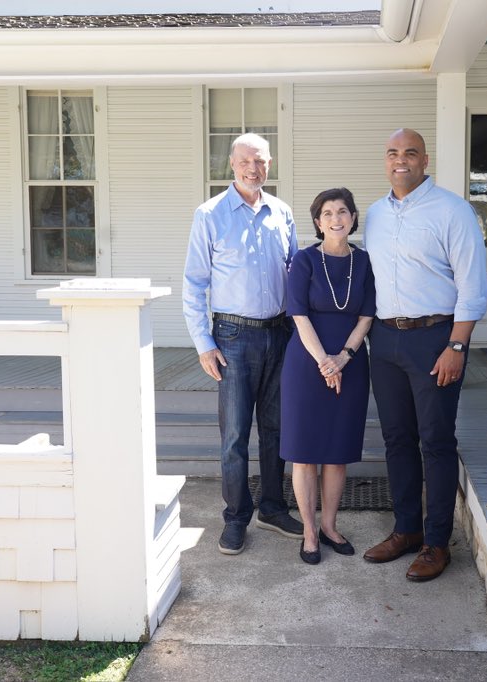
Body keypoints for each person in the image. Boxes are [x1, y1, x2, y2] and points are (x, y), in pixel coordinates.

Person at [362, 128, 487, 581]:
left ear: (424, 159)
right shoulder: (374, 215)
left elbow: (473, 287)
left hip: (435, 340)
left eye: (410, 153)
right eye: (393, 152)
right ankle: (407, 530)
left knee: (435, 441)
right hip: (386, 340)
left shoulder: (453, 210)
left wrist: (457, 345)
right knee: (396, 439)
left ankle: (437, 542)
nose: (401, 160)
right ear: (386, 159)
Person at [182, 132, 304, 555]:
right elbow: (195, 283)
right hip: (232, 337)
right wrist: (203, 343)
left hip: (281, 334)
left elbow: (296, 274)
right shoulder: (210, 214)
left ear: (270, 165)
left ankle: (272, 507)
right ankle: (236, 518)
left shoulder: (282, 213)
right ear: (231, 165)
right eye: (246, 162)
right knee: (235, 435)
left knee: (276, 430)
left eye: (262, 162)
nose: (254, 169)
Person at [280, 188, 375, 565]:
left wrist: (344, 358)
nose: (336, 218)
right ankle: (308, 531)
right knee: (304, 455)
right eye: (327, 213)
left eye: (343, 211)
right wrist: (324, 361)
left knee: (337, 454)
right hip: (306, 363)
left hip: (350, 363)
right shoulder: (304, 260)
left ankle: (331, 526)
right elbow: (298, 315)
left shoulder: (365, 262)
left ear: (353, 218)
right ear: (318, 222)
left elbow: (367, 315)